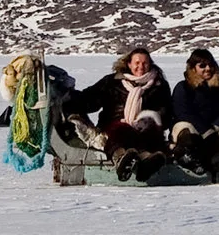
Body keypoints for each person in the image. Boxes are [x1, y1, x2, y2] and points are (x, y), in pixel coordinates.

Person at [64, 46, 174, 182]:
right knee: (121, 131)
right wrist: (67, 100)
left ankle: (149, 162)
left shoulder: (159, 85)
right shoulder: (112, 82)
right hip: (115, 124)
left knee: (150, 132)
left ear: (150, 64)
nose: (141, 66)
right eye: (137, 63)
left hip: (145, 126)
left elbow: (166, 111)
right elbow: (90, 99)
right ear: (129, 64)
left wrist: (154, 117)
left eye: (145, 63)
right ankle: (123, 159)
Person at [169, 48, 219, 175]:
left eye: (211, 65)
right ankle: (189, 159)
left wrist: (216, 126)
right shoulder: (183, 87)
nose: (208, 68)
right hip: (195, 132)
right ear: (193, 68)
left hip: (217, 132)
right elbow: (183, 112)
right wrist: (205, 131)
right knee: (183, 127)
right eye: (202, 65)